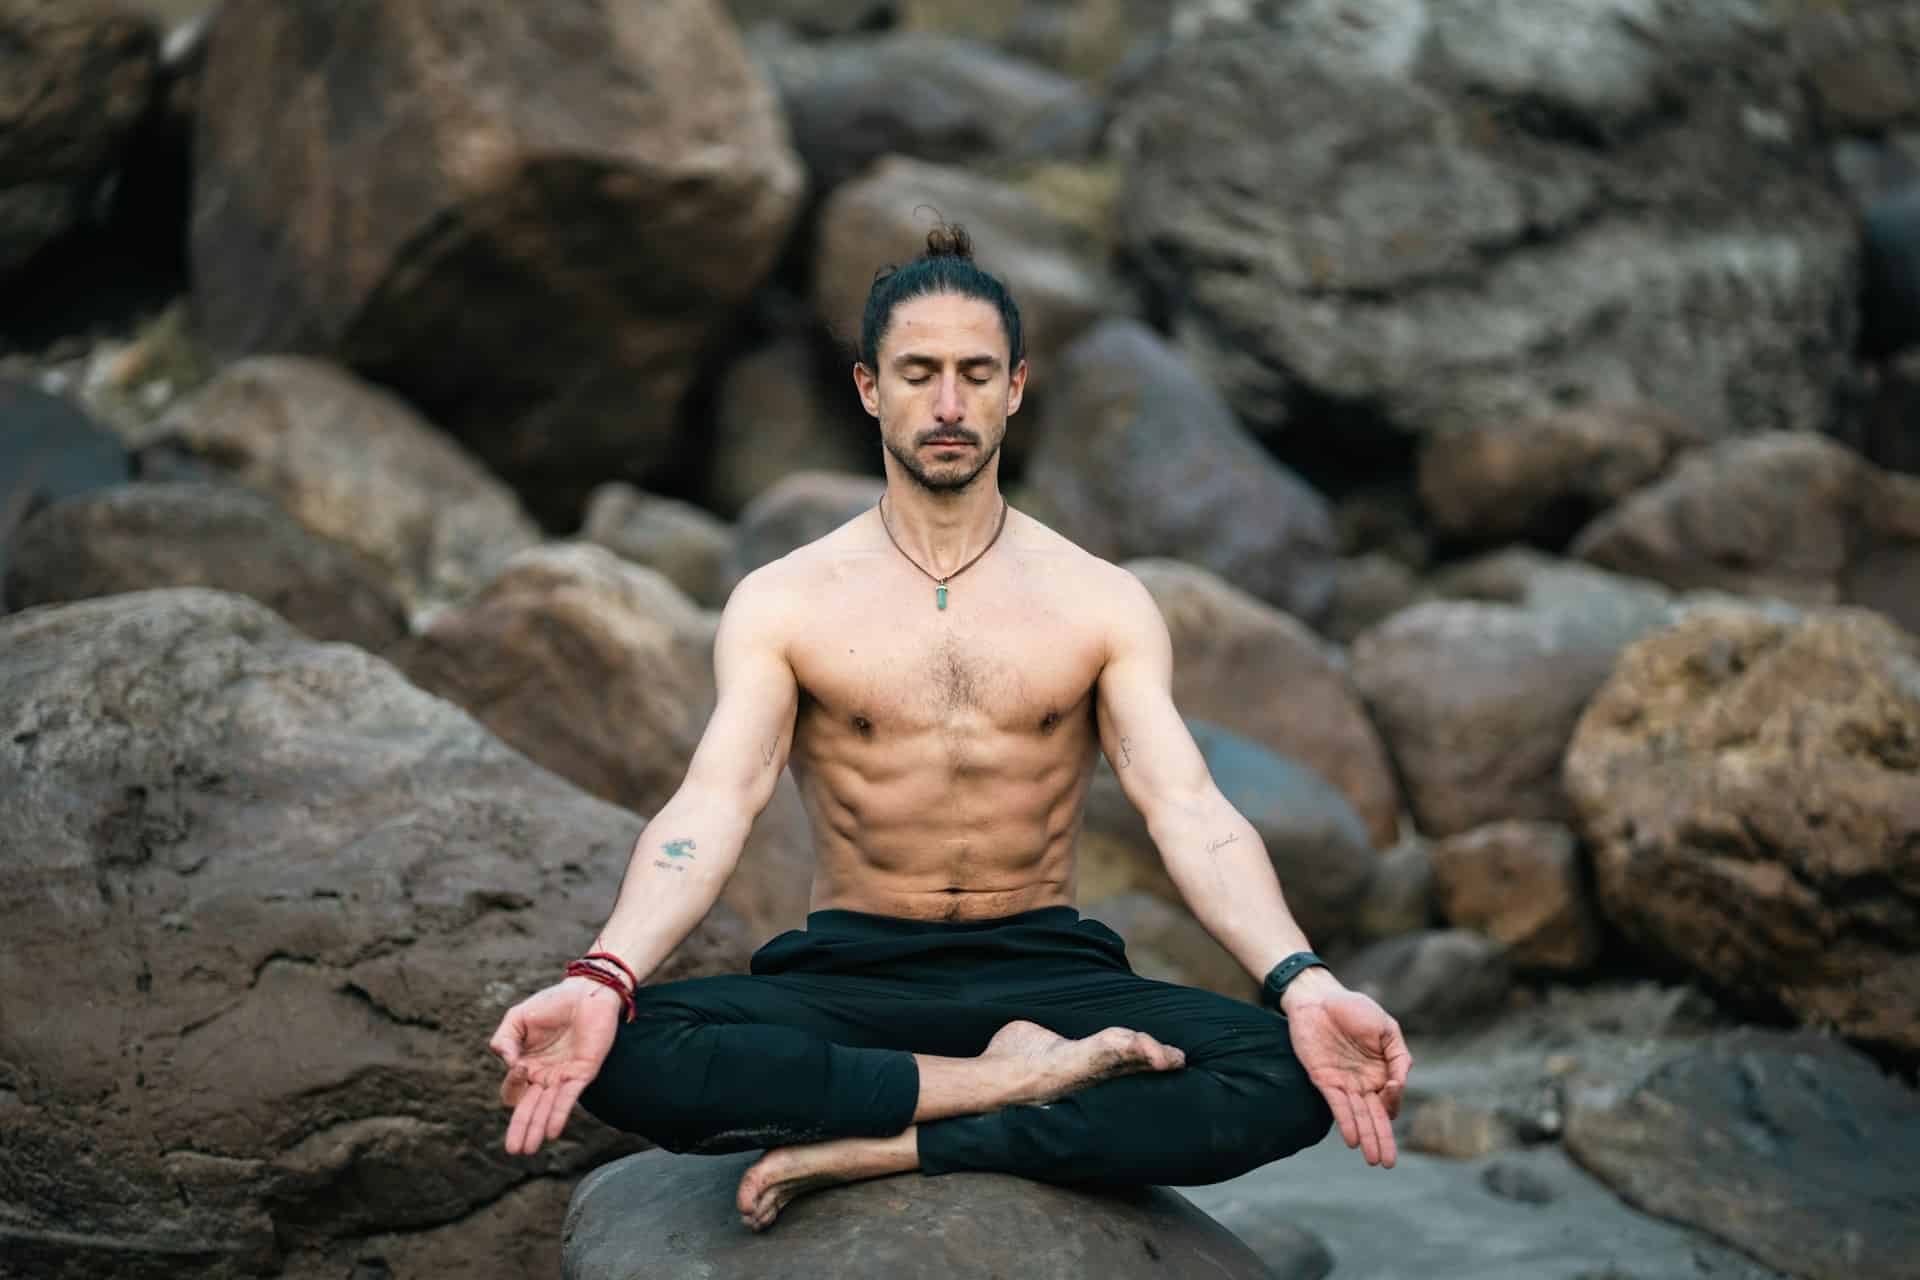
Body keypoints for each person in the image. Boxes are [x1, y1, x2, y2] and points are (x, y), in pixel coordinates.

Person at [488, 224, 1412, 1232]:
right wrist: (602, 972)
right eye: (917, 371)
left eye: (975, 374)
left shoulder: (1097, 600)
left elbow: (1188, 806)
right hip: (852, 973)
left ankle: (908, 1130)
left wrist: (1304, 979)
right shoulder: (788, 600)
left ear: (1015, 387)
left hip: (1047, 968)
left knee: (1290, 1069)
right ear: (868, 389)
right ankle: (1000, 1087)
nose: (946, 403)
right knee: (620, 1050)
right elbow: (715, 800)